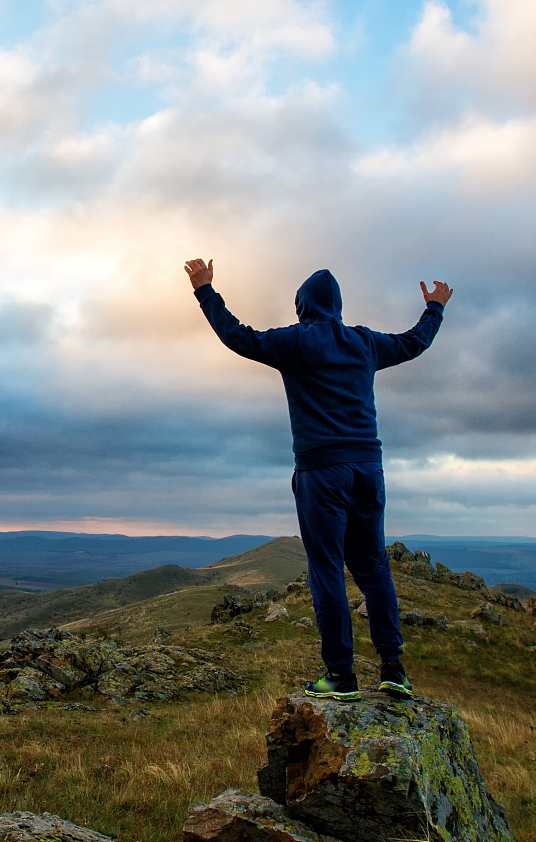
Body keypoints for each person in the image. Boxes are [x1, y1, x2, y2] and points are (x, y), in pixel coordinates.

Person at [184, 258, 451, 702]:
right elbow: (413, 343)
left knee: (326, 568)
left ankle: (340, 676)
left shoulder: (296, 342)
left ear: (301, 306)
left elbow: (238, 337)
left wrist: (205, 291)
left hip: (321, 472)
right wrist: (435, 308)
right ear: (339, 306)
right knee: (374, 568)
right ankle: (394, 670)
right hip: (368, 469)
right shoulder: (364, 343)